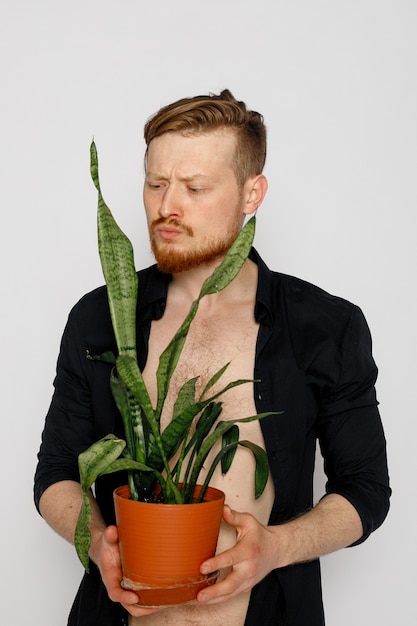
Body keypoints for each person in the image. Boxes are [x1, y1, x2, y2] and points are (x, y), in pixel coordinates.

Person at [34, 89, 391, 626]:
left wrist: (276, 546)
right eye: (156, 184)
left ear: (253, 193)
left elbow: (365, 490)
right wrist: (95, 542)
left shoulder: (326, 327)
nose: (166, 207)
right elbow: (57, 472)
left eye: (195, 188)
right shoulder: (100, 317)